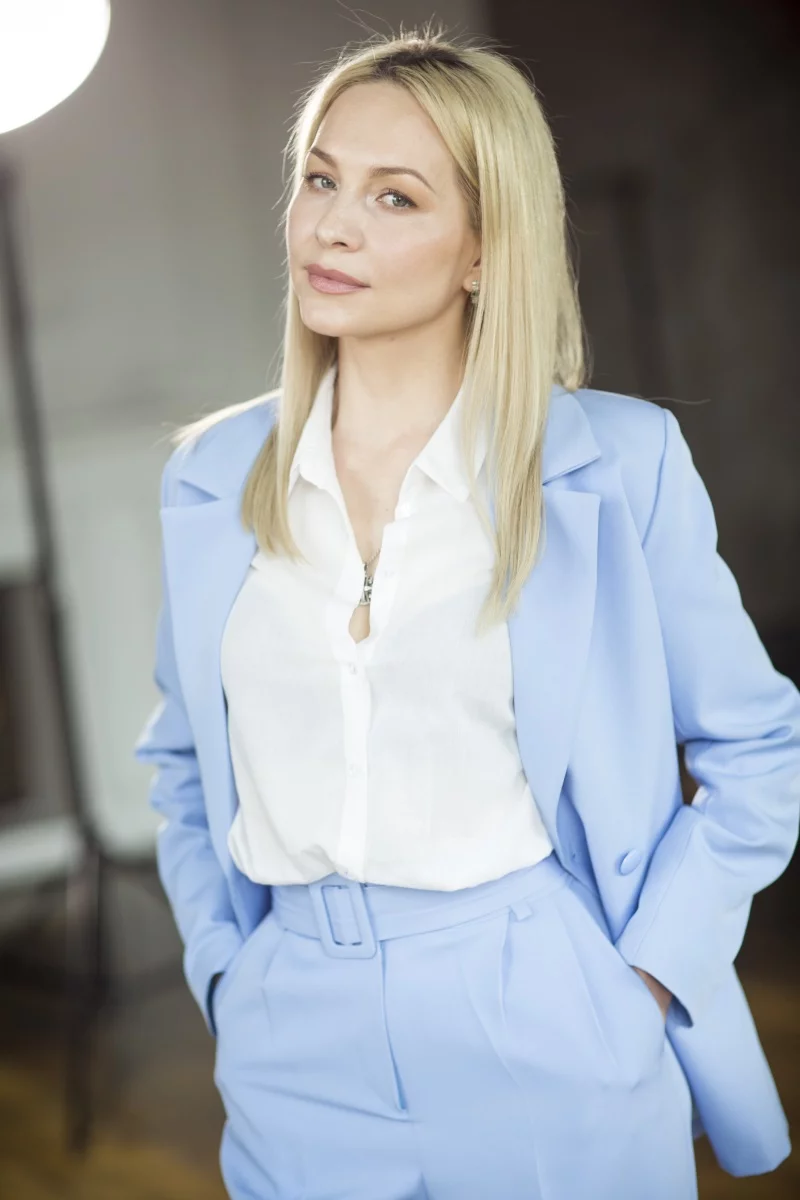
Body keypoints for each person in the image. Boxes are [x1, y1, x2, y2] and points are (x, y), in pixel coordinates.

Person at [133, 25, 800, 1200]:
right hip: (291, 1029)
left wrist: (642, 978)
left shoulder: (615, 467)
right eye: (319, 180)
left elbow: (758, 751)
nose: (332, 226)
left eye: (393, 197)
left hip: (545, 1015)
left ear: (484, 250)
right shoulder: (209, 477)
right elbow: (182, 766)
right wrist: (229, 976)